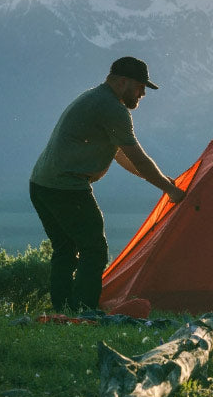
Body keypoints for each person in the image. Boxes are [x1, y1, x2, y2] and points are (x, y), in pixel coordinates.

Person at [30, 57, 185, 312]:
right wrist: (171, 191)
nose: (143, 93)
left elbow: (120, 155)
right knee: (95, 249)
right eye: (140, 87)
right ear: (122, 82)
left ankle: (63, 310)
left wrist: (163, 180)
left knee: (65, 249)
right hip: (66, 187)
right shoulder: (113, 109)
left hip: (41, 185)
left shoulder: (95, 99)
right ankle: (85, 310)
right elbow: (139, 158)